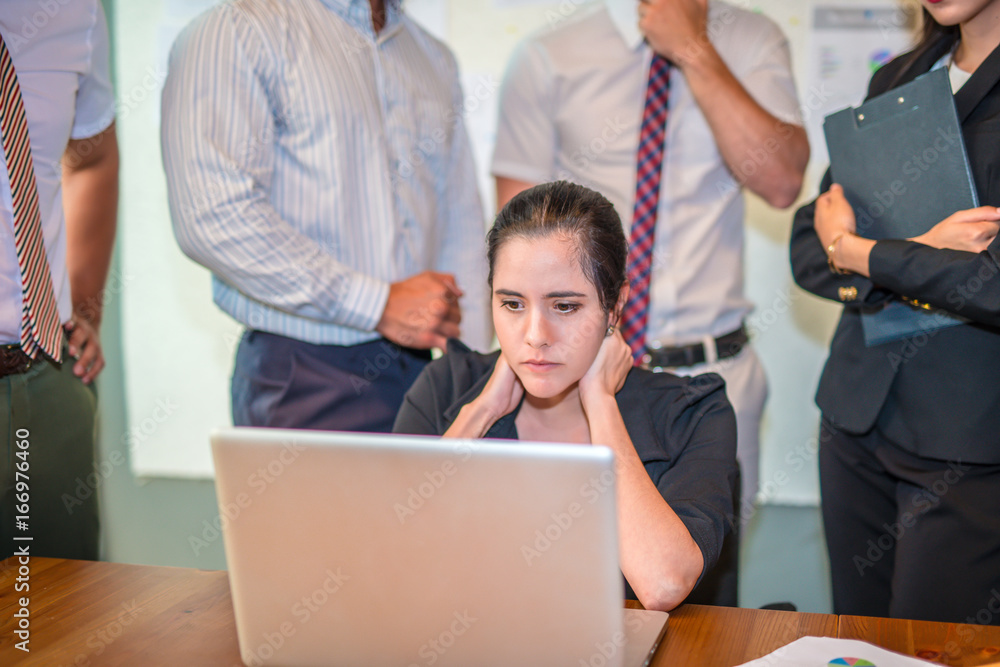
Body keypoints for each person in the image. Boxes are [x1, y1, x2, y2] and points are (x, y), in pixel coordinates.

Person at [491, 0, 809, 519]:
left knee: (709, 589)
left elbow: (781, 182)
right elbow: (517, 244)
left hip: (713, 377)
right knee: (565, 572)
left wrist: (692, 48)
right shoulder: (548, 54)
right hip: (578, 383)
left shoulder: (753, 39)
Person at [394, 181, 738, 612]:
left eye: (565, 307)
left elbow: (663, 584)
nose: (535, 337)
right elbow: (389, 560)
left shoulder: (691, 411)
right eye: (513, 305)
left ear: (614, 308)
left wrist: (601, 402)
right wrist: (480, 414)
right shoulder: (446, 386)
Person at [161, 0, 490, 432]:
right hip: (304, 376)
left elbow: (460, 219)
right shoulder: (238, 30)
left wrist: (477, 372)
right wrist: (377, 303)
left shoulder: (431, 56)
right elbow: (213, 216)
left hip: (428, 373)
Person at [790, 0, 1000, 624]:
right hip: (856, 421)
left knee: (933, 652)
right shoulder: (902, 77)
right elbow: (809, 242)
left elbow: (991, 284)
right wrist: (915, 253)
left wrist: (861, 251)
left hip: (966, 439)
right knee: (859, 645)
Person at [0, 0, 118, 560]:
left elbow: (91, 157)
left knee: (54, 632)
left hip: (44, 385)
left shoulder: (72, 11)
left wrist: (85, 309)